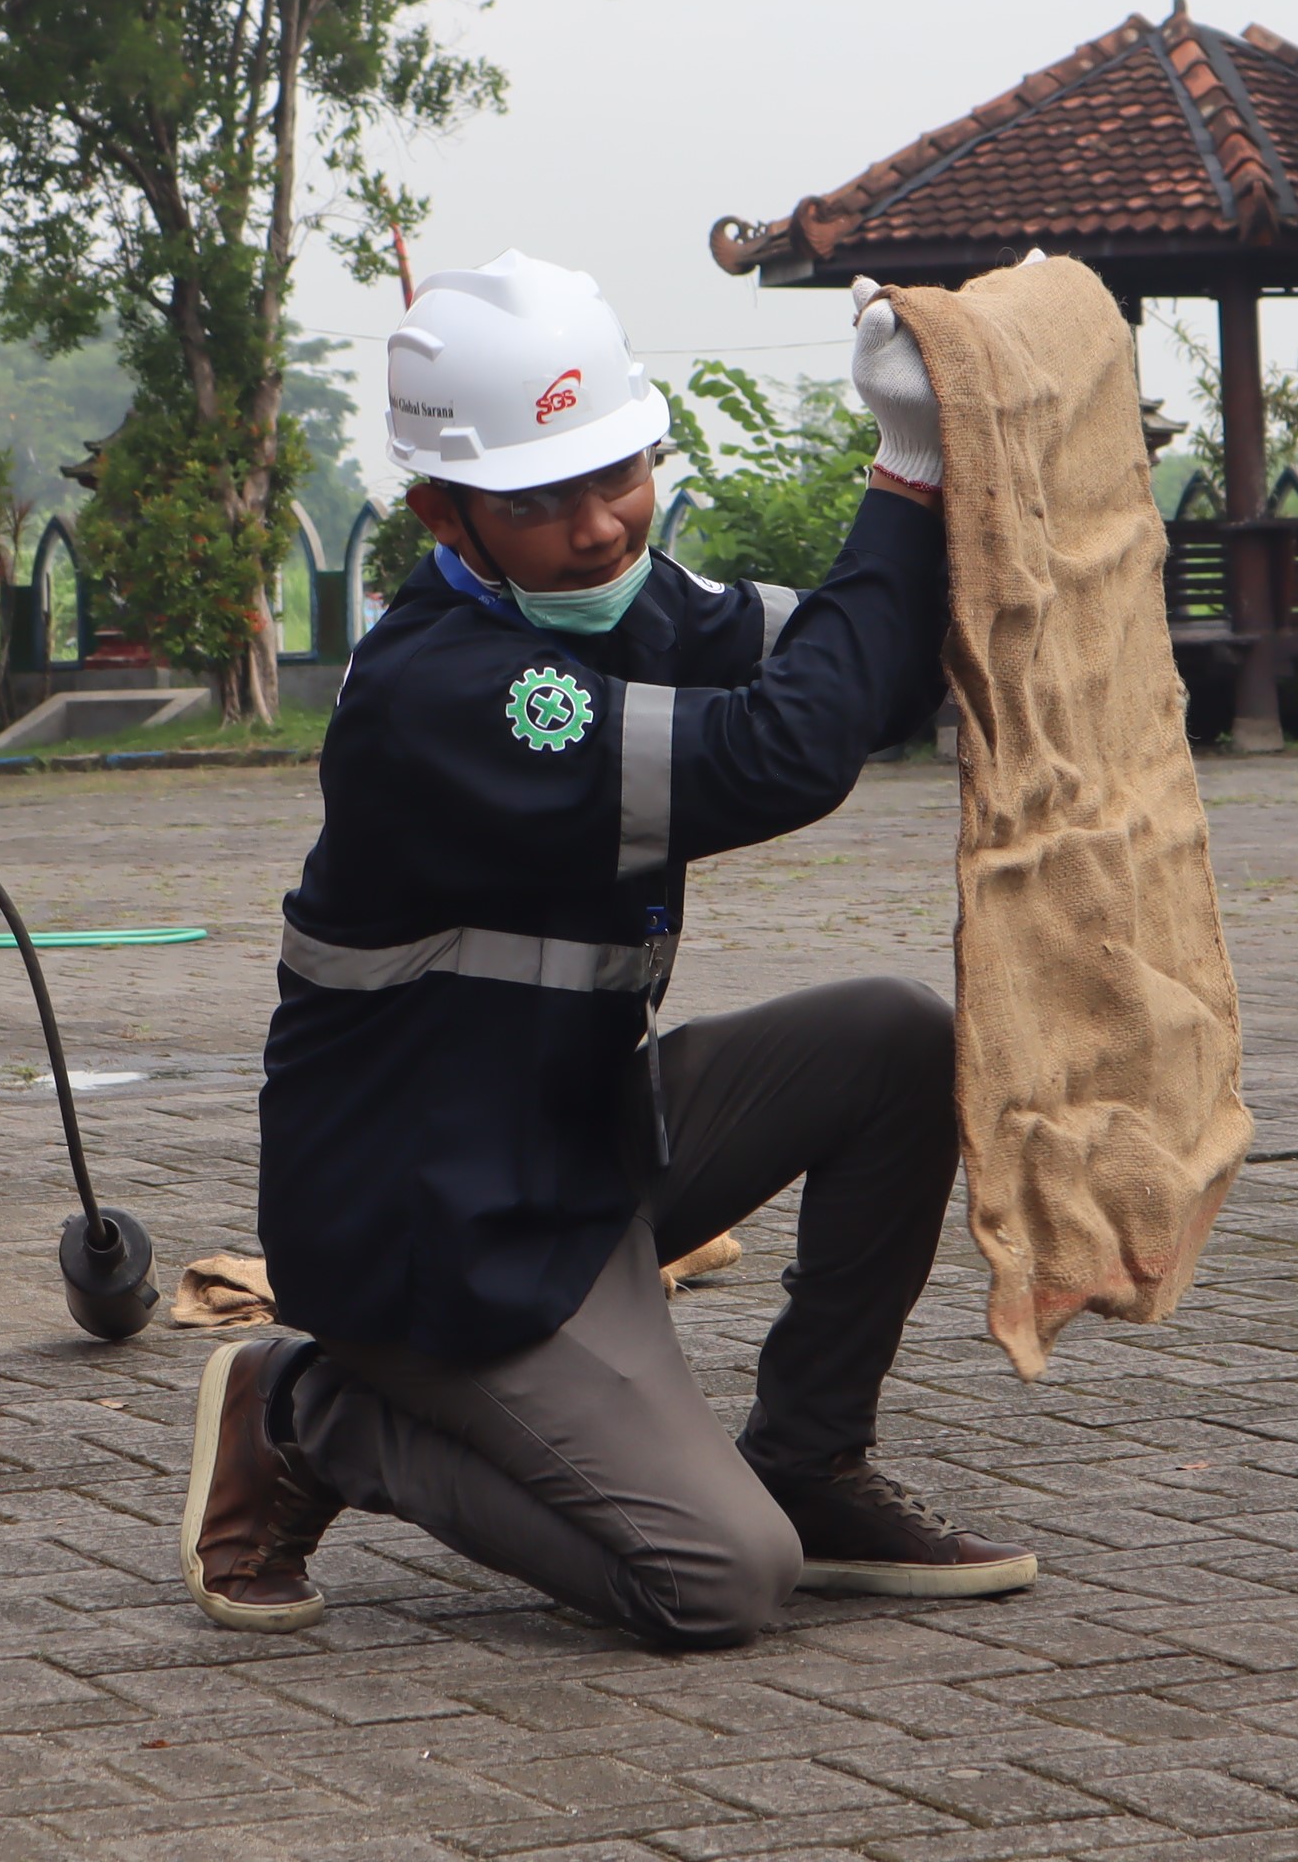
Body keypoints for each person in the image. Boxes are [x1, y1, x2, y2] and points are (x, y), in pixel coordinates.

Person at [182, 249, 1032, 1651]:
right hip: (432, 1231)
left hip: (569, 1149)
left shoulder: (630, 604)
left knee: (893, 1041)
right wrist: (900, 475)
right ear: (443, 510)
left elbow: (846, 676)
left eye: (618, 472)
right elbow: (783, 755)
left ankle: (807, 1465)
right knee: (715, 1583)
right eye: (539, 500)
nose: (596, 527)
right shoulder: (447, 689)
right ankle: (314, 1414)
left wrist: (996, 469)